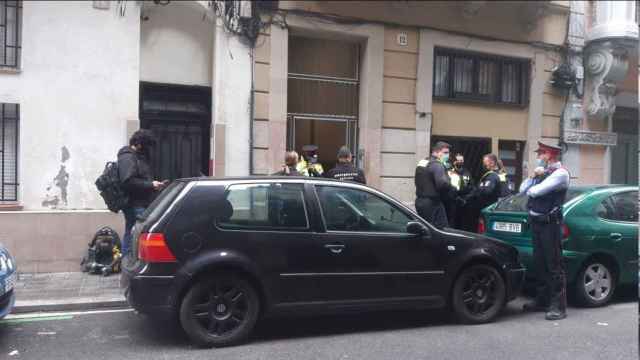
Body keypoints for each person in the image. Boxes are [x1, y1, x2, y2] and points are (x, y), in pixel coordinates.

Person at [520, 140, 569, 321]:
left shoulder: (560, 174)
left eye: (541, 154)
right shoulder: (542, 172)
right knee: (540, 262)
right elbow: (522, 189)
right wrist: (533, 176)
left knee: (554, 264)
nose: (538, 157)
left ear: (549, 155)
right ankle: (542, 300)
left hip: (550, 224)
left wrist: (537, 179)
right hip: (537, 223)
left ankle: (559, 306)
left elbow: (535, 192)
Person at [118, 129, 167, 257]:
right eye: (147, 146)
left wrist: (153, 185)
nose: (149, 150)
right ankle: (128, 261)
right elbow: (127, 181)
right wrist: (150, 184)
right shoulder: (128, 157)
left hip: (140, 202)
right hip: (134, 204)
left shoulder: (137, 156)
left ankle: (129, 261)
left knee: (134, 232)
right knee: (135, 233)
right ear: (139, 144)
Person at [414, 141, 456, 229]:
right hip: (433, 203)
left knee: (424, 229)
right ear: (436, 152)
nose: (447, 155)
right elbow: (442, 184)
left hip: (420, 201)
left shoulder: (423, 162)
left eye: (448, 153)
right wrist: (452, 188)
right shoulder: (437, 165)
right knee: (441, 230)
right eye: (445, 153)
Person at [465, 154, 505, 232]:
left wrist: (475, 193)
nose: (483, 165)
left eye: (485, 162)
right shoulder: (494, 175)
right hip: (491, 208)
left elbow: (486, 191)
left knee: (484, 230)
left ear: (492, 163)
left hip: (488, 208)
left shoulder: (492, 176)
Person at [447, 154, 474, 231]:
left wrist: (467, 197)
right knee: (452, 222)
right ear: (454, 161)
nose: (460, 162)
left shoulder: (467, 172)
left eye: (461, 160)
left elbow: (472, 186)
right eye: (458, 160)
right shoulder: (449, 172)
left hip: (464, 201)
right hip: (453, 202)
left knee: (463, 223)